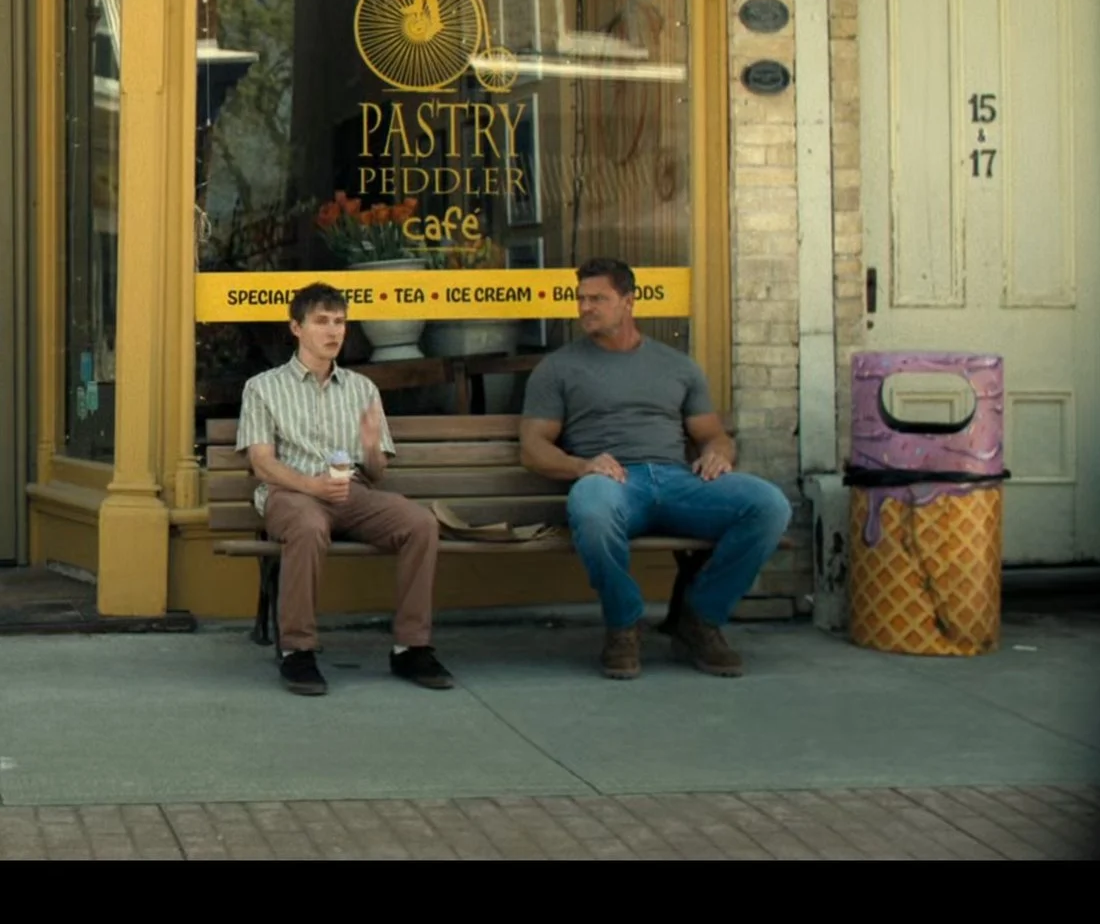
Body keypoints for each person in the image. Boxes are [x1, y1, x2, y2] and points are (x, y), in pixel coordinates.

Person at [520, 257, 792, 680]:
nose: (585, 308)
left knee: (768, 504)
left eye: (598, 299)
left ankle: (699, 618)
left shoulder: (676, 366)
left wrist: (719, 453)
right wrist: (582, 465)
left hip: (678, 481)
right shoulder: (558, 367)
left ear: (629, 301)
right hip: (614, 484)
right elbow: (533, 448)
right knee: (590, 506)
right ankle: (624, 624)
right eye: (580, 299)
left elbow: (713, 435)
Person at [236, 282, 453, 696]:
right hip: (291, 493)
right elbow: (262, 463)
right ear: (296, 328)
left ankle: (411, 646)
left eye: (340, 322)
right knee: (308, 526)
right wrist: (311, 486)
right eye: (321, 322)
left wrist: (371, 447)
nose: (333, 331)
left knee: (420, 524)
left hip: (349, 493)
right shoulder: (262, 387)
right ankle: (297, 651)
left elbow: (376, 473)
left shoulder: (361, 388)